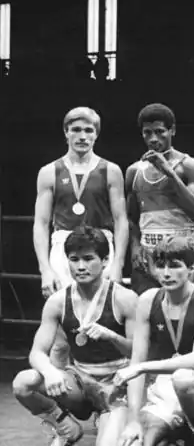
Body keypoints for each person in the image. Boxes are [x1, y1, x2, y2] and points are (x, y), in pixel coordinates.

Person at [12, 226, 137, 446]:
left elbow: (140, 354)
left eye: (89, 259)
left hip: (116, 384)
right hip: (79, 380)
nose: (81, 267)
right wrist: (50, 372)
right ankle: (67, 429)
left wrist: (111, 336)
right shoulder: (57, 302)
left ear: (105, 260)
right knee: (24, 383)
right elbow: (37, 352)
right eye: (74, 259)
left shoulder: (124, 299)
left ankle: (114, 418)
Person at [113, 236, 194, 446]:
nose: (166, 273)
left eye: (175, 265)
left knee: (184, 377)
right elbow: (136, 362)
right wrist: (133, 420)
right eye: (160, 265)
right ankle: (175, 439)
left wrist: (143, 368)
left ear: (192, 268)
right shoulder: (147, 300)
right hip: (164, 393)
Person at [33, 107, 129, 367]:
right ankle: (60, 389)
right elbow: (41, 223)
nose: (82, 136)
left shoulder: (110, 170)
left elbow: (121, 219)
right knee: (62, 329)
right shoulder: (49, 172)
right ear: (66, 133)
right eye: (76, 129)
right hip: (63, 249)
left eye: (89, 130)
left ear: (96, 134)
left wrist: (118, 263)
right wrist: (45, 269)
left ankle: (104, 385)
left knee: (104, 320)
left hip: (100, 247)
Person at [126, 103, 194, 295]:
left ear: (172, 130)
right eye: (147, 133)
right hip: (148, 253)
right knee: (146, 310)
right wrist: (135, 248)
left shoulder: (190, 166)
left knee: (189, 312)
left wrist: (170, 174)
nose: (153, 138)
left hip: (182, 253)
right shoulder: (133, 172)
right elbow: (131, 217)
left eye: (160, 131)